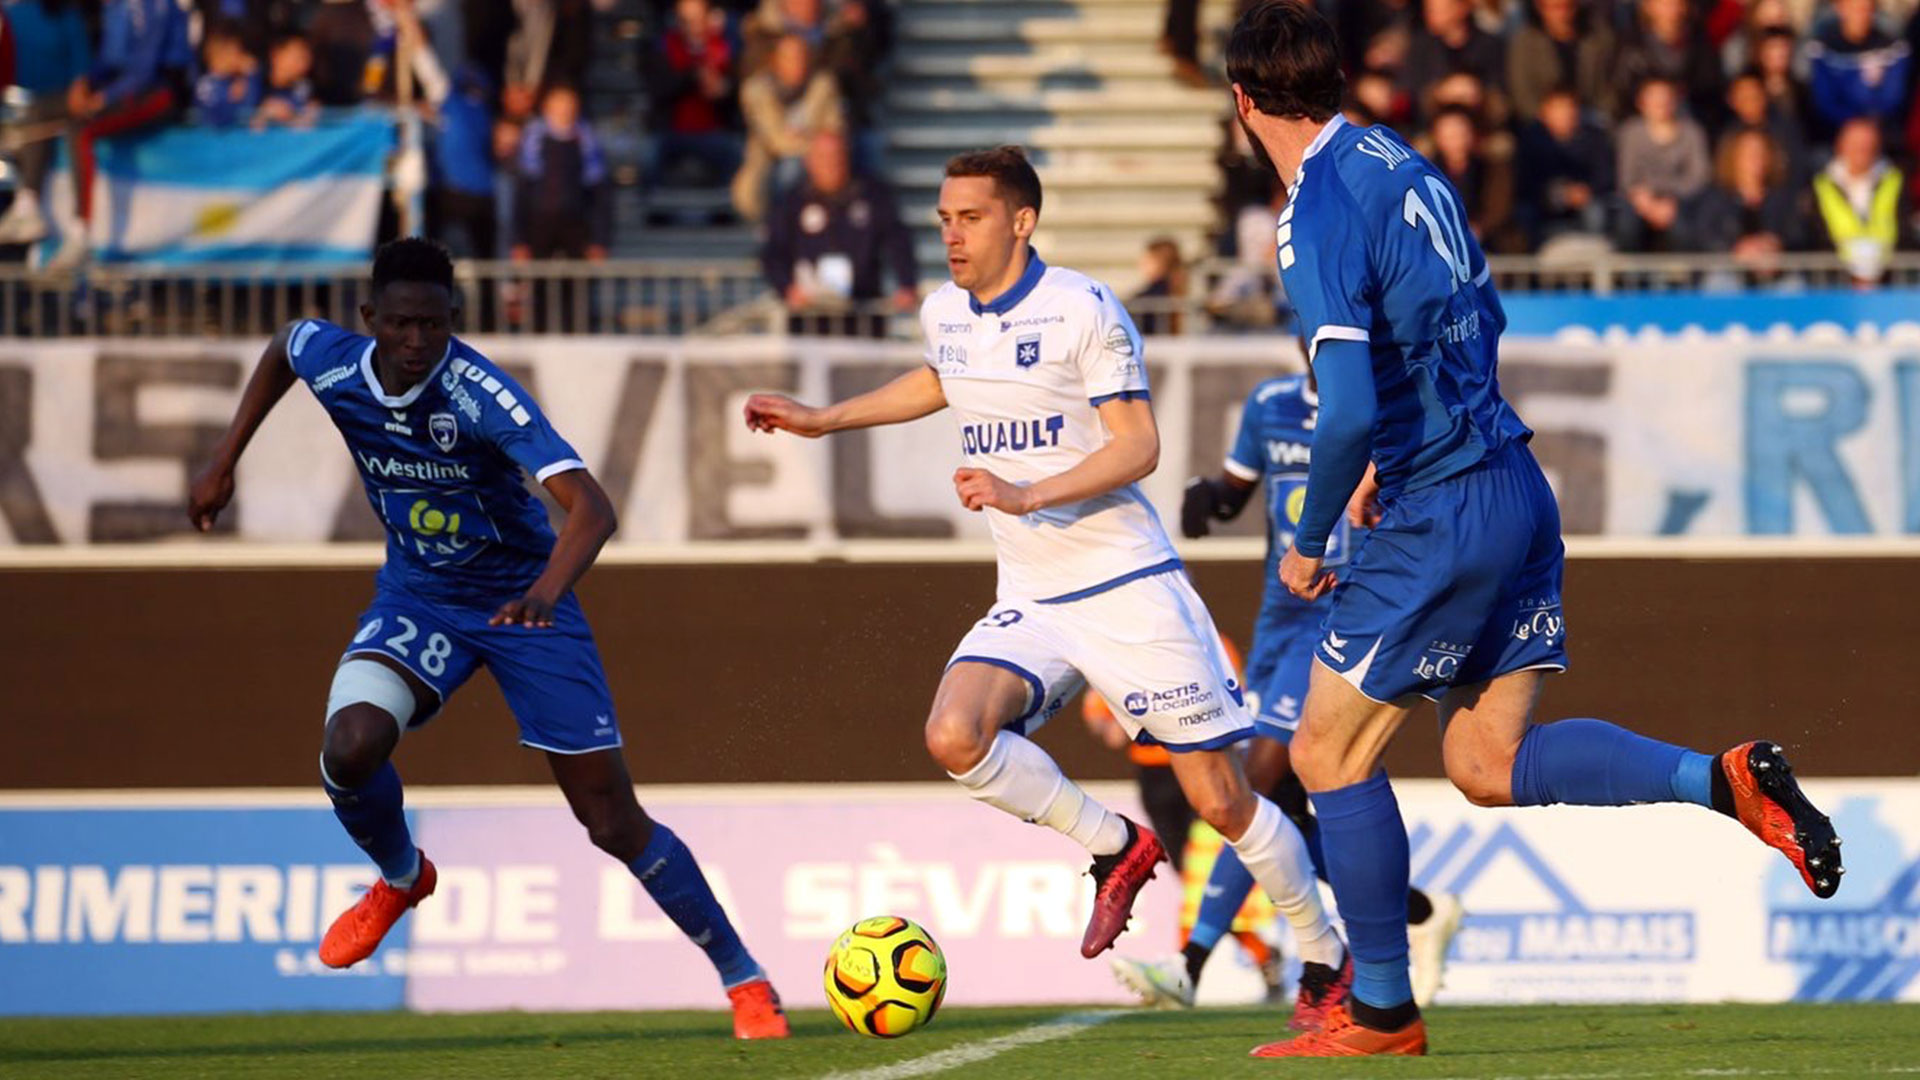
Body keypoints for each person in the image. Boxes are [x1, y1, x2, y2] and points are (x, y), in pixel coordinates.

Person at [1223, 0, 1843, 1057]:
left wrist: (1312, 535)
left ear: (1243, 103)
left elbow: (1349, 408)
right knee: (1485, 760)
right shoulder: (1401, 160)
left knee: (1324, 754)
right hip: (1512, 483)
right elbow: (1475, 313)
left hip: (1440, 510)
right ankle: (1723, 780)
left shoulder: (1314, 208)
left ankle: (1379, 1008)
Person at [742, 147, 1352, 1023]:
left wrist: (1028, 493)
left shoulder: (1082, 308)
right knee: (955, 734)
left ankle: (1326, 962)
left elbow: (1137, 445)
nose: (952, 235)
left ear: (1021, 221)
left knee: (1221, 798)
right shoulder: (946, 310)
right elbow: (944, 377)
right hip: (1033, 592)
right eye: (945, 218)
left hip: (1127, 584)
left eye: (972, 217)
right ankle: (1115, 847)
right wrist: (826, 417)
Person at [186, 237, 791, 1041]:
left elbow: (593, 509)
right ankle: (401, 879)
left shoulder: (481, 395)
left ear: (453, 322)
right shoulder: (330, 358)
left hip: (525, 605)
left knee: (610, 820)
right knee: (351, 744)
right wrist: (225, 459)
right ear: (368, 320)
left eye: (432, 327)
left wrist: (543, 593)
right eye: (399, 325)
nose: (415, 344)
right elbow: (282, 350)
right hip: (420, 597)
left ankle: (744, 979)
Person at [1110, 358, 1463, 1016]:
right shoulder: (1269, 402)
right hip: (1277, 620)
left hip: (1339, 613)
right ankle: (1421, 912)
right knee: (1289, 820)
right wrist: (1208, 498)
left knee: (1257, 778)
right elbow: (1237, 488)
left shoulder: (1383, 404)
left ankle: (1192, 965)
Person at [52, 0, 194, 269]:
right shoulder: (116, 6)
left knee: (82, 130)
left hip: (161, 92)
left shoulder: (157, 6)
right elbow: (109, 59)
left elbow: (145, 71)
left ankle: (80, 230)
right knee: (58, 118)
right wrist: (85, 82)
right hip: (127, 89)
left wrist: (104, 98)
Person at [761, 128, 917, 337]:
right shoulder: (792, 201)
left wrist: (906, 282)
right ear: (809, 162)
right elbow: (773, 251)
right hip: (809, 319)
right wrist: (787, 288)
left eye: (837, 157)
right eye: (823, 157)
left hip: (863, 314)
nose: (831, 165)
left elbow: (898, 240)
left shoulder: (872, 194)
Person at [0, 0, 90, 245]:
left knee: (36, 113)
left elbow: (80, 82)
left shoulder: (66, 14)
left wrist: (80, 87)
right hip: (18, 110)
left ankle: (30, 206)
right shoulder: (10, 16)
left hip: (53, 105)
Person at [1810, 116, 1907, 282]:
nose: (1862, 149)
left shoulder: (1895, 180)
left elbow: (1905, 230)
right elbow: (1814, 235)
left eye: (1869, 144)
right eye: (1856, 144)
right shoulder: (1820, 185)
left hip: (1890, 282)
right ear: (1840, 146)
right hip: (1836, 284)